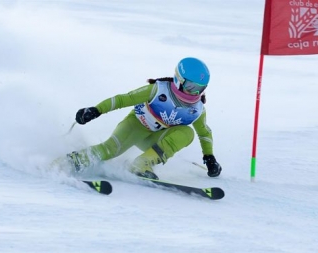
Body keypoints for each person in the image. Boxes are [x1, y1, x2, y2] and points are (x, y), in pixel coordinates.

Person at [62, 57, 222, 180]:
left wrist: (210, 157)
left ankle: (142, 163)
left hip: (154, 139)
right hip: (135, 127)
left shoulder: (197, 109)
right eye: (191, 87)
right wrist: (96, 110)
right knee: (109, 150)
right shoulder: (158, 91)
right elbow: (123, 99)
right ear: (179, 80)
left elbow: (204, 133)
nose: (195, 93)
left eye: (200, 89)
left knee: (188, 133)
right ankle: (69, 162)